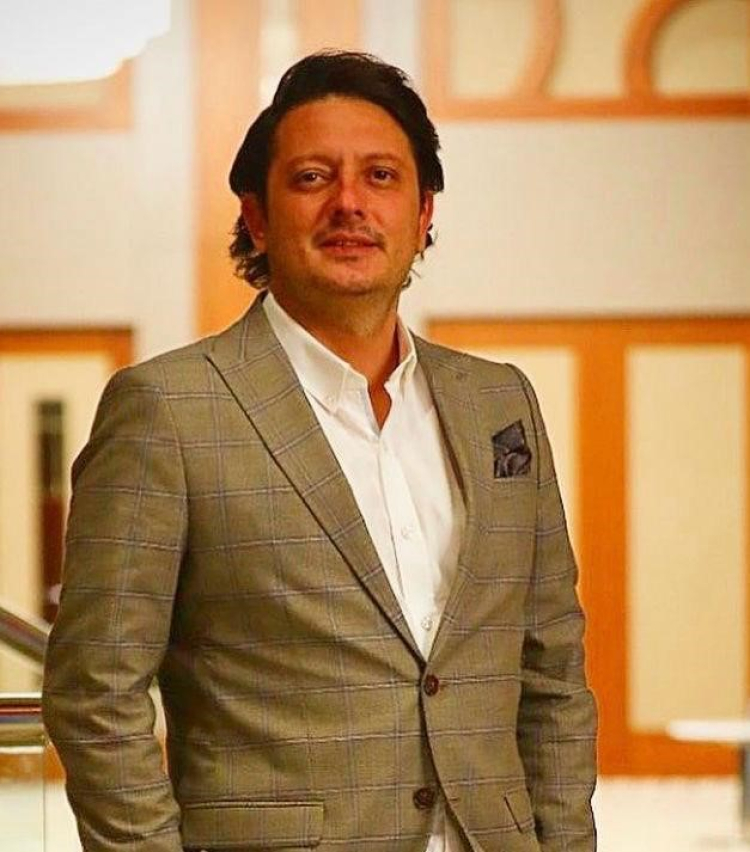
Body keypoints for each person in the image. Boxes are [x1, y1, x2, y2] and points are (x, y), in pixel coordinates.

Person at [43, 51, 597, 852]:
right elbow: (96, 693)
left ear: (423, 212)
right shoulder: (168, 410)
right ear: (258, 218)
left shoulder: (498, 403)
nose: (349, 204)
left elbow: (553, 674)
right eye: (312, 178)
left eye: (381, 176)